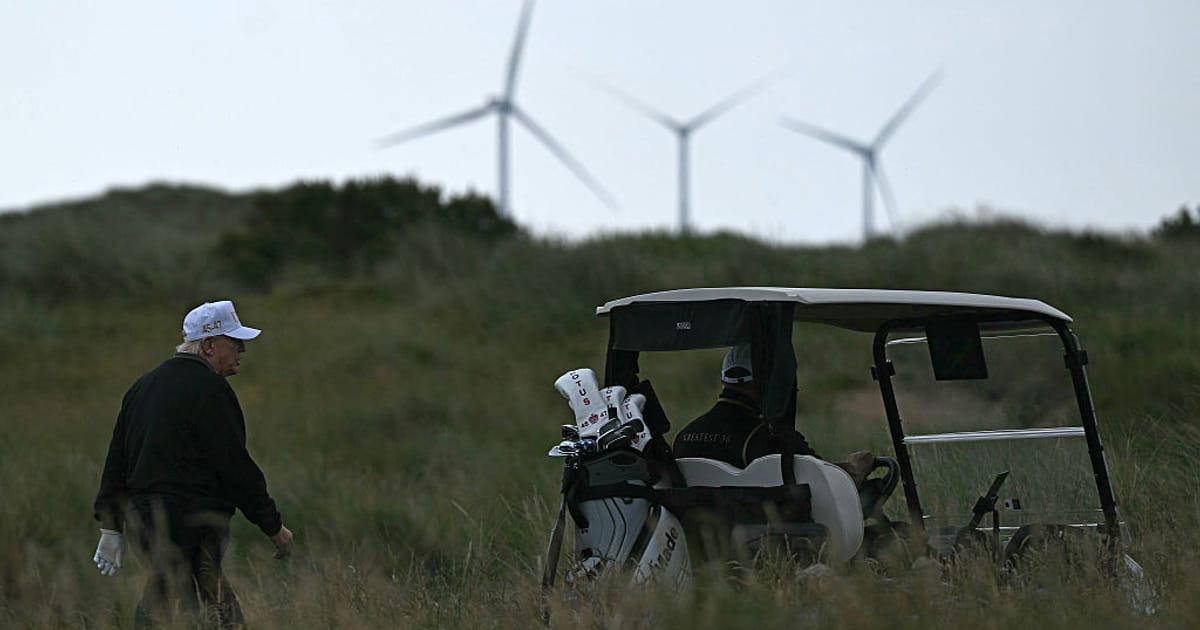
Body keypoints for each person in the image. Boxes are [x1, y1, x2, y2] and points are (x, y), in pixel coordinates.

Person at [92, 300, 293, 629]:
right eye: (236, 342)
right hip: (193, 523)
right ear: (210, 344)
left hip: (146, 524)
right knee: (204, 609)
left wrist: (111, 526)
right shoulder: (211, 390)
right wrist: (273, 527)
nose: (243, 350)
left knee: (179, 600)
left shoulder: (141, 387)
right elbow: (235, 468)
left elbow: (117, 461)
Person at [673, 344, 816, 467]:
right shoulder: (768, 439)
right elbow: (823, 477)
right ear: (766, 381)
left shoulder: (682, 438)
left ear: (724, 380)